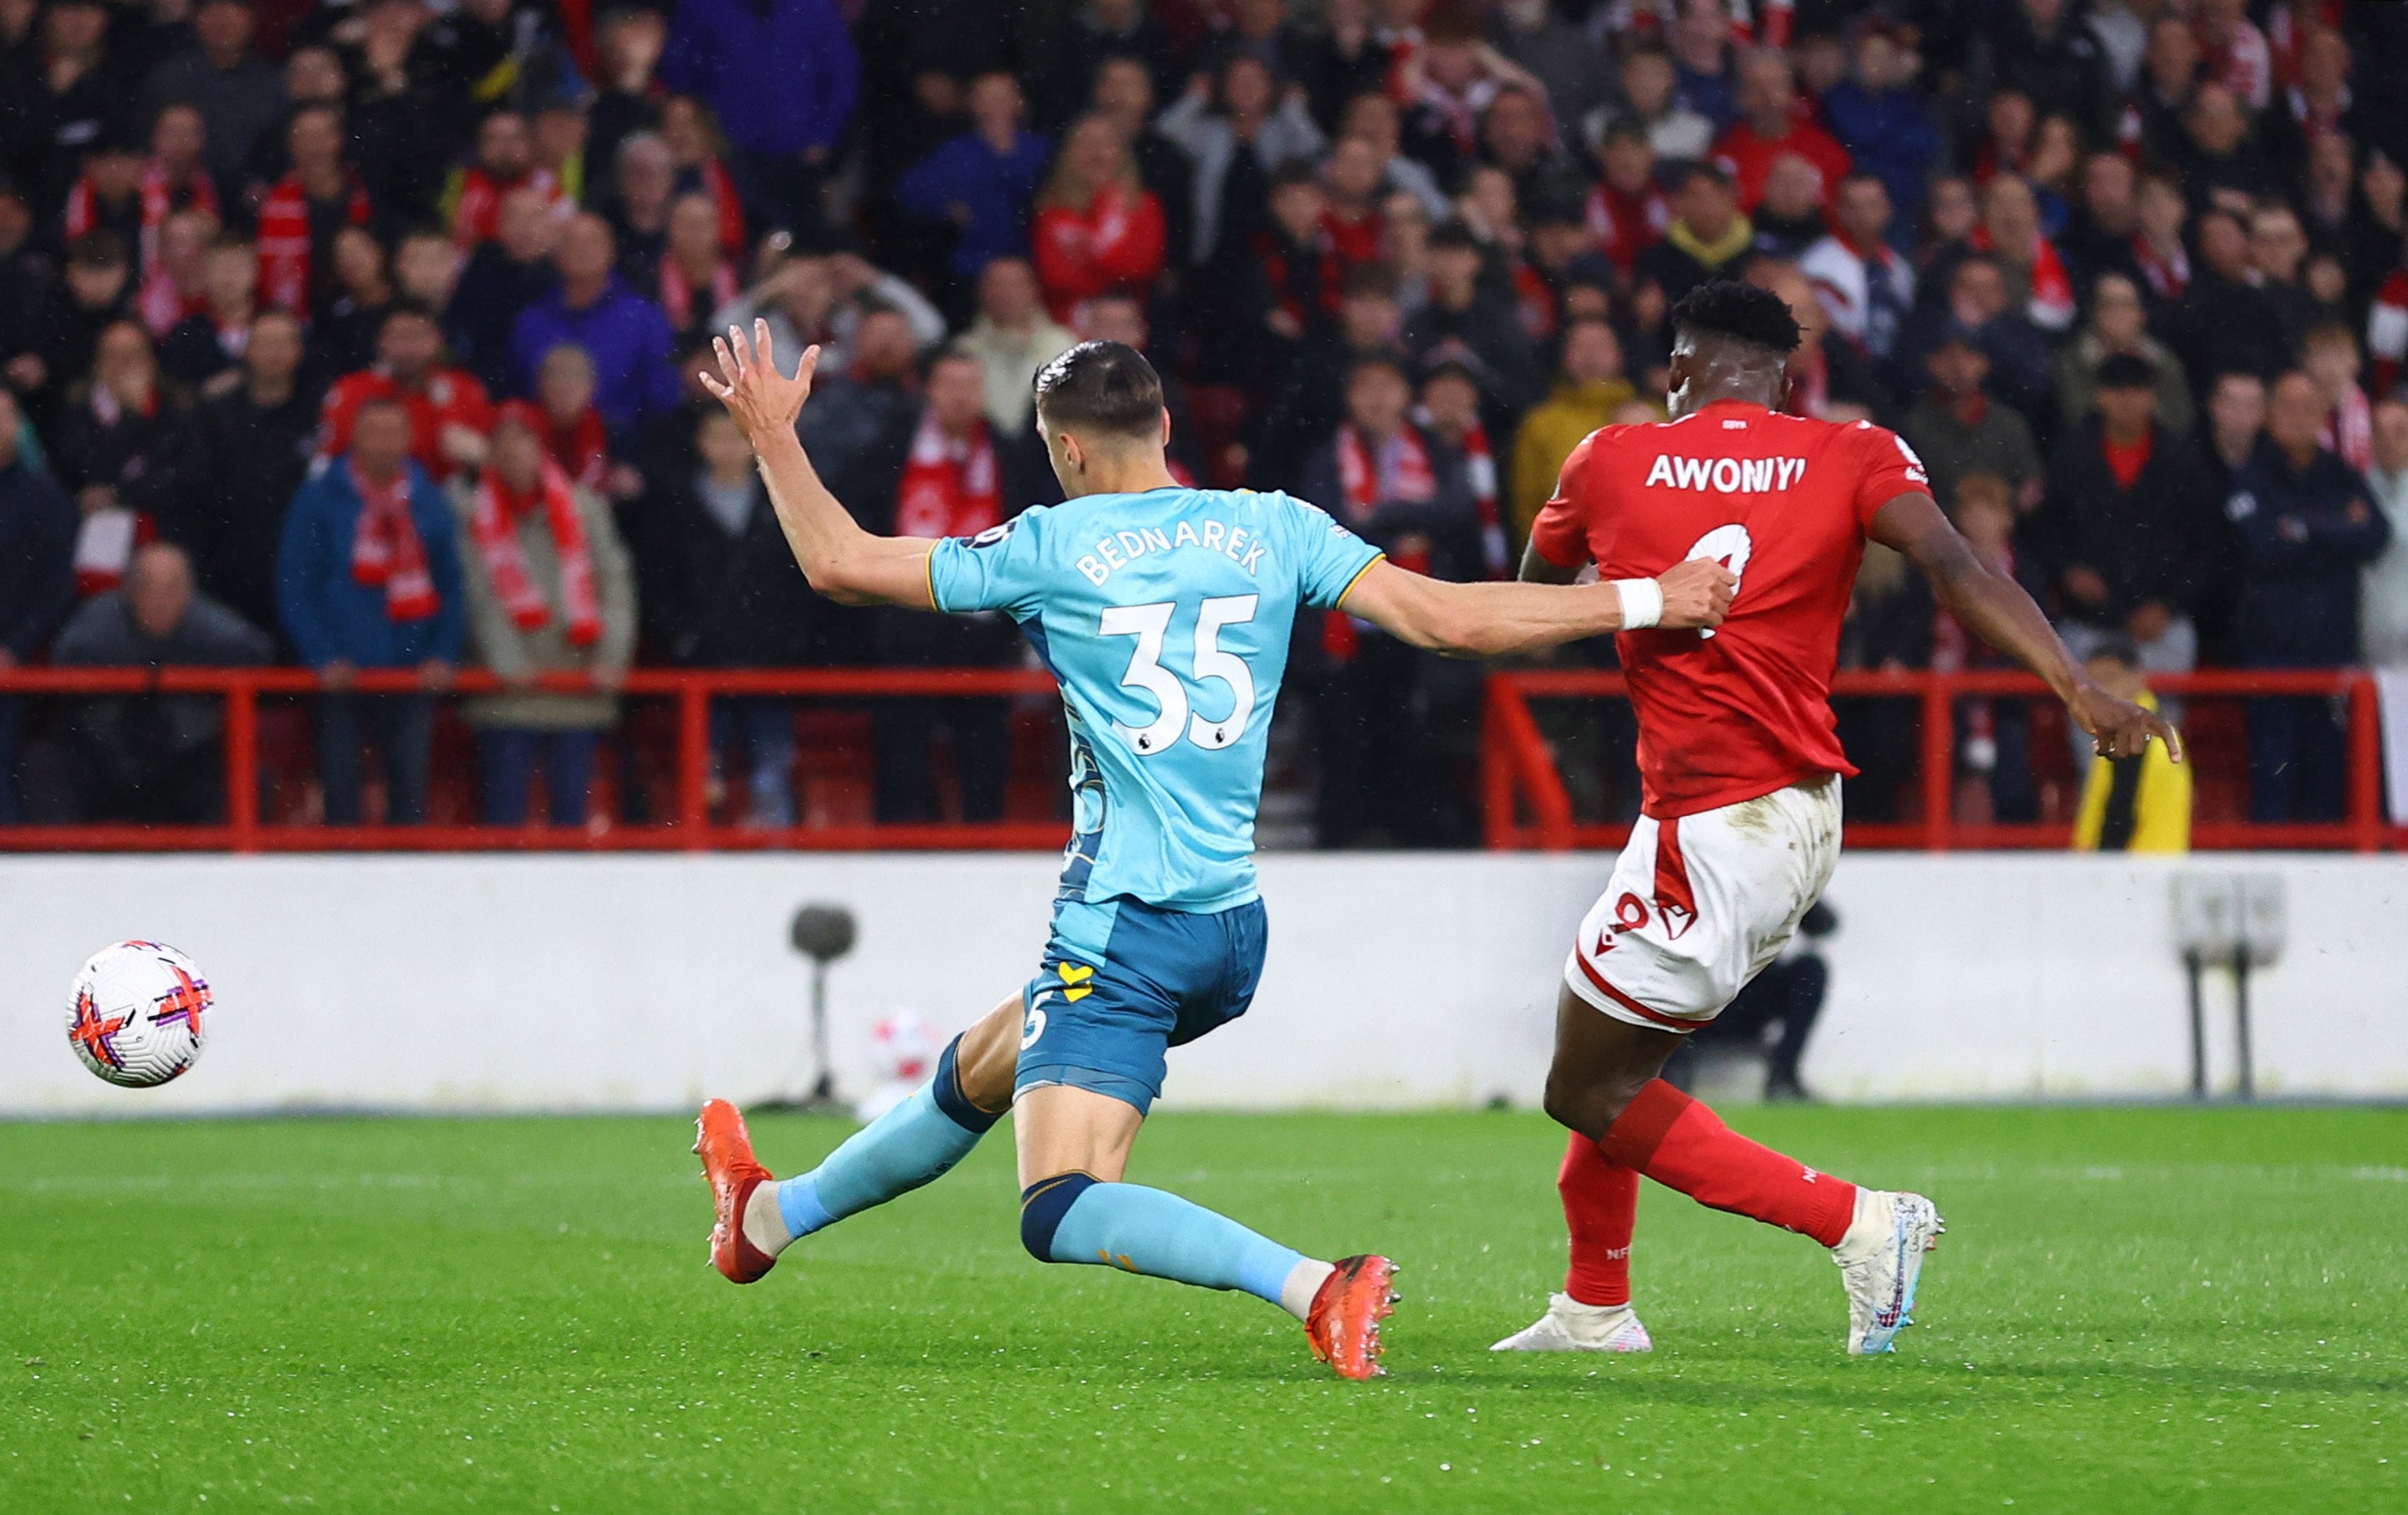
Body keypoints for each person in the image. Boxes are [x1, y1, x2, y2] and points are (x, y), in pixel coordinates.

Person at [691, 321, 1737, 1379]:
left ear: (1068, 453)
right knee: (989, 1058)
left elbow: (838, 562)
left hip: (1122, 925)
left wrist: (775, 435)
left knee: (1057, 1206)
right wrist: (1653, 598)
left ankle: (1316, 1290)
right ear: (1166, 428)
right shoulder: (1275, 526)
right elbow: (1447, 621)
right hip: (1231, 930)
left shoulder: (1048, 548)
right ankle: (767, 1219)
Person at [1499, 279, 2175, 1359]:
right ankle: (1593, 1309)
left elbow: (1536, 603)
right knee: (1624, 1065)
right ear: (1789, 378)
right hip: (1800, 809)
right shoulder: (1855, 453)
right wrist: (2075, 686)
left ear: (1675, 370)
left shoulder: (1606, 458)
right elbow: (1959, 569)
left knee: (1585, 1085)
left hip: (1714, 820)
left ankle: (1860, 1222)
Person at [277, 396, 467, 827]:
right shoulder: (319, 500)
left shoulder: (430, 501)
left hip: (410, 672)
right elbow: (295, 585)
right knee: (340, 795)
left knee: (410, 796)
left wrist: (443, 653)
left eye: (393, 432)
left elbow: (452, 587)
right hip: (341, 674)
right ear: (354, 436)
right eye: (373, 432)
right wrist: (321, 655)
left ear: (410, 439)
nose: (383, 443)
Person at [450, 405, 637, 829]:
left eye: (526, 443)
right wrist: (508, 663)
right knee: (503, 822)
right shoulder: (470, 510)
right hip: (506, 695)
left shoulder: (584, 508)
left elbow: (616, 585)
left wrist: (610, 659)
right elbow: (477, 592)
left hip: (578, 689)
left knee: (572, 824)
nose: (517, 455)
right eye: (506, 446)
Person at [2228, 370, 2392, 823]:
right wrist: (2337, 528)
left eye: (2308, 407)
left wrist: (2300, 527)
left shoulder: (2343, 475)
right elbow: (2260, 545)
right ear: (2268, 415)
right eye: (2286, 406)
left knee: (2328, 787)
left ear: (2323, 415)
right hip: (2270, 657)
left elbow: (2376, 534)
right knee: (2274, 785)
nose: (2298, 416)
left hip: (2331, 657)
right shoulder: (2251, 476)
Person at [51, 542, 273, 824]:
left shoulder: (210, 627)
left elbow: (256, 653)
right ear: (129, 589)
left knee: (250, 778)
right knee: (45, 766)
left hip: (183, 761)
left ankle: (222, 866)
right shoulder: (100, 624)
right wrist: (143, 665)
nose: (160, 600)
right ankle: (57, 864)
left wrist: (178, 664)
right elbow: (69, 655)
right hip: (105, 757)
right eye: (148, 587)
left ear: (190, 593)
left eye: (172, 588)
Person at [1664, 898, 1836, 1102]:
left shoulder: (1775, 882)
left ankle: (1783, 1078)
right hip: (1701, 1003)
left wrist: (1794, 894)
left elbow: (1825, 925)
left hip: (1752, 999)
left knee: (1812, 968)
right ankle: (1671, 1082)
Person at [0, 388, 79, 825]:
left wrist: (14, 645)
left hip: (8, 666)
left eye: (5, 416)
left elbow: (55, 587)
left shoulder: (44, 499)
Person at [2069, 637, 2192, 853]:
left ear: (2138, 676)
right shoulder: (2130, 730)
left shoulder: (2141, 739)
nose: (2102, 691)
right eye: (2093, 684)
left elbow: (2117, 824)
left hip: (2137, 874)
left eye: (2109, 679)